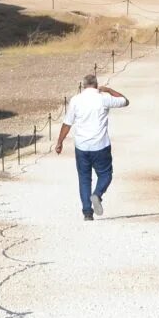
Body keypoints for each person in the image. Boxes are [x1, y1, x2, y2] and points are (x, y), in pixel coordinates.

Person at [55, 74, 129, 221]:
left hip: (82, 146)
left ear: (83, 86)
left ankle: (87, 213)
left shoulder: (76, 100)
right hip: (100, 145)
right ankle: (97, 194)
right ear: (96, 85)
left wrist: (60, 142)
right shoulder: (103, 98)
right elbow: (125, 101)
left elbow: (67, 123)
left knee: (84, 179)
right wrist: (108, 89)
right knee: (106, 174)